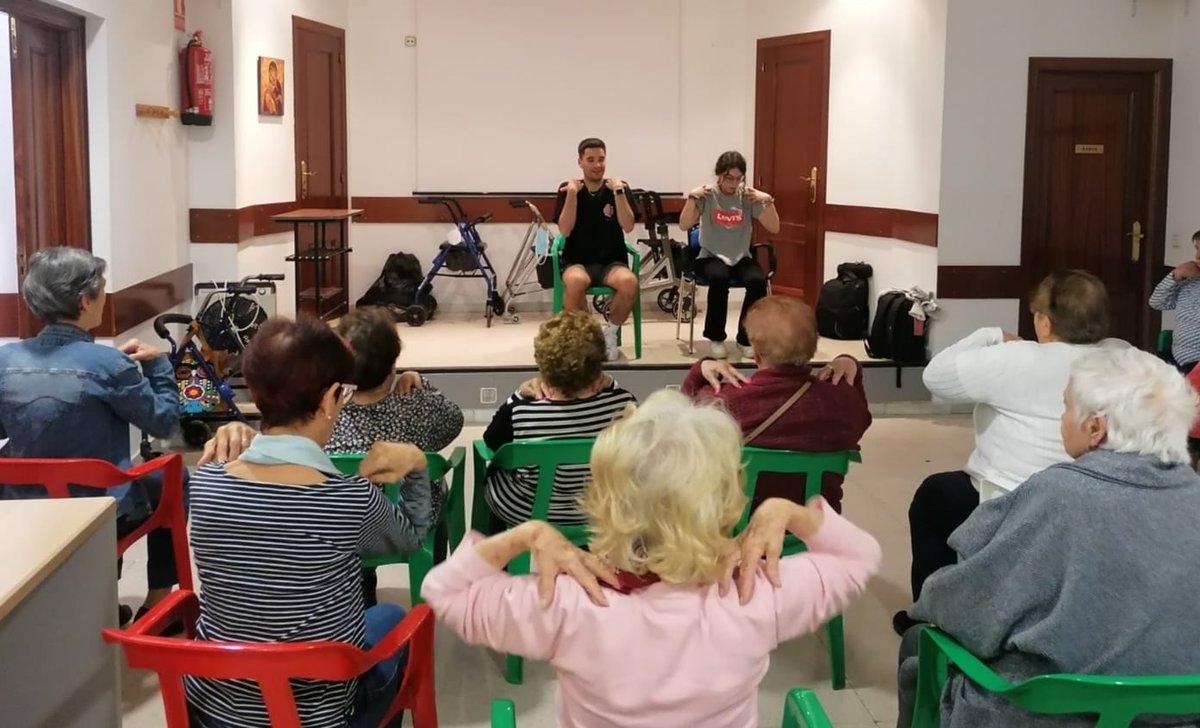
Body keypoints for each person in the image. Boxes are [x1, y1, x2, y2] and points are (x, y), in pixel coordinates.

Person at [423, 390, 881, 728]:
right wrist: (787, 512)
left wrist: (524, 536)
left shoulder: (565, 603)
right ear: (728, 503)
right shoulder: (756, 594)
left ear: (603, 503)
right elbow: (860, 557)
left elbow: (442, 590)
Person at [896, 348, 1200, 728]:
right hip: (1181, 716)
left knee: (918, 642)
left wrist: (929, 599)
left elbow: (969, 609)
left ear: (1095, 428)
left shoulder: (1058, 494)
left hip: (1056, 714)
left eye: (1065, 407)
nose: (1060, 419)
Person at [186, 315, 433, 728]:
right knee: (391, 618)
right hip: (319, 714)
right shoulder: (349, 499)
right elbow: (410, 538)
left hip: (215, 710)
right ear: (330, 398)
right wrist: (418, 465)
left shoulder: (206, 482)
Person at [894, 269, 1123, 635]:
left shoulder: (1016, 359)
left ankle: (930, 617)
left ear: (1045, 322)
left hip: (1008, 500)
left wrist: (991, 336)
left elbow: (935, 376)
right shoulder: (1125, 358)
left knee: (933, 498)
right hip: (1098, 501)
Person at [0, 247, 184, 627]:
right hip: (97, 513)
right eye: (101, 289)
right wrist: (159, 365)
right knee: (173, 477)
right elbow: (163, 423)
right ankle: (158, 605)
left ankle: (92, 602)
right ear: (85, 300)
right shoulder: (110, 364)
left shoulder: (5, 360)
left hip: (21, 506)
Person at [682, 295, 871, 513]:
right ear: (813, 346)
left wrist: (700, 370)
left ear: (756, 352)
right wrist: (852, 368)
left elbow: (680, 424)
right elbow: (862, 419)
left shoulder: (723, 402)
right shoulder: (843, 403)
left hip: (737, 532)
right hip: (815, 531)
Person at [330, 307, 463, 606]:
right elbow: (454, 422)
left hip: (346, 525)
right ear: (392, 365)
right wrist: (419, 383)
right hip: (408, 521)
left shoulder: (326, 416)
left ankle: (362, 591)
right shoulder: (416, 404)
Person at [484, 310, 635, 527]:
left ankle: (501, 556)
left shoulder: (522, 410)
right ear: (598, 366)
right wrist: (610, 383)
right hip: (601, 514)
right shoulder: (622, 405)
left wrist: (517, 395)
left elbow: (491, 441)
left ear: (543, 366)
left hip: (529, 514)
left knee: (493, 476)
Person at [678, 151, 781, 359]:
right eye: (729, 178)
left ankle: (745, 339)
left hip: (741, 256)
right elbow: (684, 224)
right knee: (719, 277)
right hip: (709, 256)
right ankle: (716, 338)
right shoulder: (709, 195)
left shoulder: (747, 197)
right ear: (719, 175)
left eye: (738, 178)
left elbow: (774, 227)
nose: (733, 184)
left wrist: (768, 200)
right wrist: (691, 197)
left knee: (757, 281)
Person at [552, 137, 639, 360]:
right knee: (575, 282)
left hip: (611, 261)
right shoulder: (568, 190)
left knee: (629, 283)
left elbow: (628, 226)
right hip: (577, 260)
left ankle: (610, 333)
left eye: (601, 159)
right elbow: (565, 230)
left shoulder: (619, 188)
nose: (597, 165)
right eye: (590, 160)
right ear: (580, 162)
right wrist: (572, 195)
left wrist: (619, 193)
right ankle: (590, 335)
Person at [1149, 229, 1200, 373]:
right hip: (1178, 361)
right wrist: (1176, 275)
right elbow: (1156, 302)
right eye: (1197, 249)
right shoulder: (1189, 280)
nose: (1197, 257)